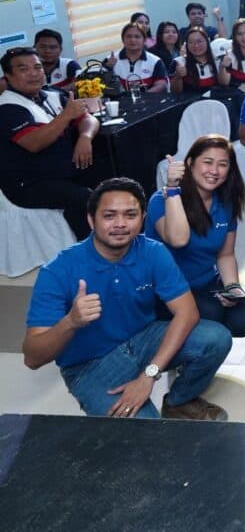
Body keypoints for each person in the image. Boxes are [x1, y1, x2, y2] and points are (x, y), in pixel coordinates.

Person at [23, 177, 231, 420]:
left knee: (216, 338)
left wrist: (149, 375)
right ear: (91, 219)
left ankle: (178, 402)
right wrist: (70, 322)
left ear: (143, 218)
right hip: (90, 366)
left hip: (143, 339)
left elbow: (188, 312)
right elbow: (32, 358)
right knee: (146, 436)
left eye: (130, 215)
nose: (120, 224)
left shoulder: (153, 251)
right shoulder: (58, 270)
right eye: (109, 216)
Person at [145, 136, 245, 338]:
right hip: (168, 289)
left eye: (222, 164)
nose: (214, 171)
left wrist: (232, 287)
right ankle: (179, 352)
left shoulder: (226, 202)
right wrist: (172, 188)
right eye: (207, 162)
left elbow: (225, 255)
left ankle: (199, 346)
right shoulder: (161, 200)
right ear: (190, 163)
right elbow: (178, 239)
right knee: (211, 315)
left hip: (205, 281)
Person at [0, 47, 101, 240]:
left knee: (112, 175)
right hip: (28, 183)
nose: (33, 74)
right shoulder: (7, 107)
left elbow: (89, 119)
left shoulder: (52, 94)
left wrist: (85, 137)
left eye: (37, 68)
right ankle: (90, 252)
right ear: (8, 76)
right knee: (83, 198)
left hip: (63, 170)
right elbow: (34, 143)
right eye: (23, 69)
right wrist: (66, 116)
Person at [106, 23, 168, 92]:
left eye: (137, 36)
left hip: (148, 100)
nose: (132, 40)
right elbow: (102, 85)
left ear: (144, 40)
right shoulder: (110, 60)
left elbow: (161, 84)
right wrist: (108, 69)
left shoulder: (155, 61)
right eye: (129, 36)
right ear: (123, 39)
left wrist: (144, 96)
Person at [170, 27, 218, 95]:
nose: (196, 45)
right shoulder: (179, 62)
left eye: (200, 41)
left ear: (207, 41)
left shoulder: (217, 61)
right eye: (191, 42)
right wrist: (178, 77)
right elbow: (175, 93)